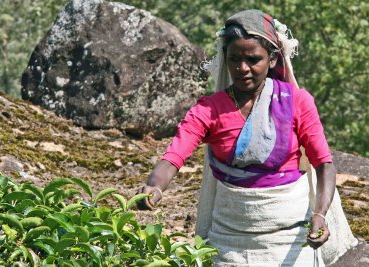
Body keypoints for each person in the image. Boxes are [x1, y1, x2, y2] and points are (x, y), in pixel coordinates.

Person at [137, 9, 356, 266]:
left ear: (273, 59)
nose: (242, 69)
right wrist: (154, 186)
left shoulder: (297, 102)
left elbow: (324, 164)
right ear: (225, 59)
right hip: (229, 242)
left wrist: (320, 214)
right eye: (234, 60)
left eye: (253, 59)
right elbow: (174, 157)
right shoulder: (209, 109)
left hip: (290, 240)